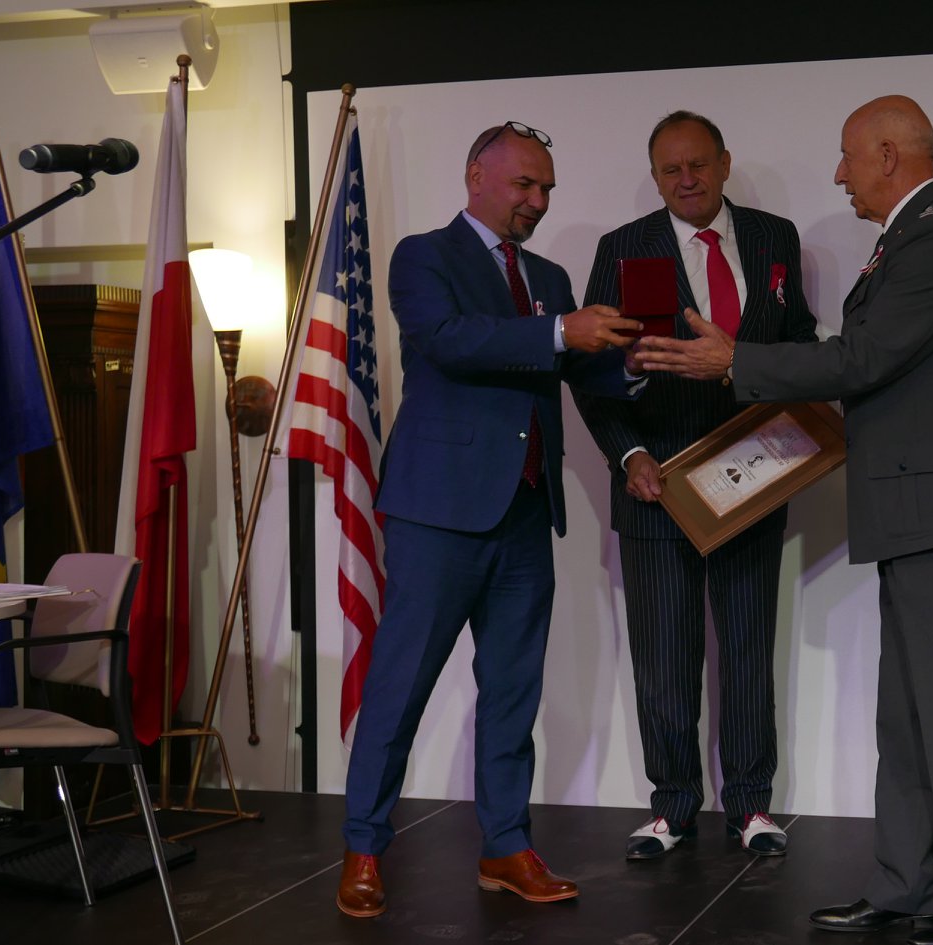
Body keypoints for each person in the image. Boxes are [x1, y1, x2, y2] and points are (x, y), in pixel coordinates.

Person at [636, 95, 933, 945]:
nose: (839, 174)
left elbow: (864, 356)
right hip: (914, 510)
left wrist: (736, 359)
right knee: (911, 719)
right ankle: (908, 883)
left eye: (849, 157)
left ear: (889, 155)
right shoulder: (911, 234)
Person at [336, 121, 645, 918]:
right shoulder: (423, 256)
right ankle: (364, 846)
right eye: (524, 185)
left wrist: (635, 360)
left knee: (512, 692)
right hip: (438, 513)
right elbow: (449, 341)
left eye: (547, 190)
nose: (537, 201)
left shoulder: (548, 274)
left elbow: (578, 368)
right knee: (400, 685)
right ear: (478, 175)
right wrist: (560, 330)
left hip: (525, 514)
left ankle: (506, 845)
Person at [574, 110, 818, 860]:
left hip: (751, 478)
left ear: (725, 162)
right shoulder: (622, 249)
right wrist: (629, 453)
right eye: (671, 170)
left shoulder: (775, 238)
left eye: (699, 165)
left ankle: (751, 805)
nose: (687, 180)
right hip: (657, 484)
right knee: (664, 659)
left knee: (747, 649)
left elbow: (799, 342)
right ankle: (672, 807)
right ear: (655, 178)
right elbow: (590, 371)